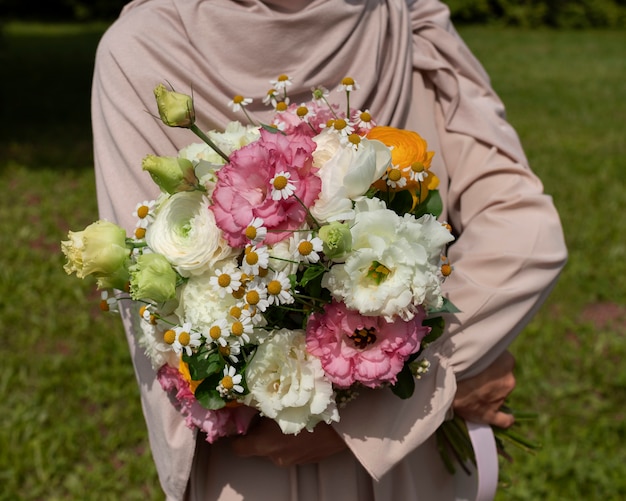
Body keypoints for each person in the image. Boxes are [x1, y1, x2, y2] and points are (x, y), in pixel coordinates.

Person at [91, 0, 567, 499]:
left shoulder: (407, 24)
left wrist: (409, 397)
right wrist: (445, 383)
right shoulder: (144, 53)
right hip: (278, 454)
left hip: (305, 459)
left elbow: (522, 225)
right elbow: (157, 306)